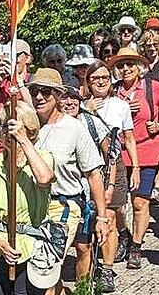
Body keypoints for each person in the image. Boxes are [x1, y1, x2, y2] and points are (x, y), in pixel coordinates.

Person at [28, 68, 108, 294]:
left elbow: (93, 173)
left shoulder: (74, 129)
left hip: (64, 205)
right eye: (34, 91)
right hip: (32, 205)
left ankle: (81, 290)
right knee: (40, 270)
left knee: (47, 266)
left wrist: (102, 216)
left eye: (46, 92)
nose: (39, 97)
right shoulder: (27, 126)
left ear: (58, 95)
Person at [0, 101, 55, 295]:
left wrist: (23, 140)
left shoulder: (44, 158)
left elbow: (44, 178)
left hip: (32, 249)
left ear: (29, 130)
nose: (10, 133)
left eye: (15, 127)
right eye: (5, 127)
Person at [109, 48, 159, 269]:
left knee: (139, 202)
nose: (125, 69)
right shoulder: (113, 92)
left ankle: (136, 246)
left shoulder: (152, 88)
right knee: (116, 205)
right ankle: (123, 234)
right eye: (121, 65)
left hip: (147, 151)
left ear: (140, 68)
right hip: (118, 154)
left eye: (130, 65)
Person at [83, 61, 139, 292]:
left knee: (112, 217)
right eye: (95, 77)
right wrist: (87, 109)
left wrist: (135, 167)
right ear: (88, 81)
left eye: (105, 76)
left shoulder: (120, 106)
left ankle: (106, 268)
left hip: (113, 169)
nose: (101, 81)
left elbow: (129, 138)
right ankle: (91, 263)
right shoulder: (79, 105)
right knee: (90, 217)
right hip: (86, 171)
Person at [57, 86, 113, 279]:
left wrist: (110, 185)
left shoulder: (91, 123)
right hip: (62, 192)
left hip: (88, 190)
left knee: (84, 245)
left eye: (74, 98)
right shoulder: (47, 125)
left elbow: (111, 155)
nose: (70, 102)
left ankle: (84, 285)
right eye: (64, 98)